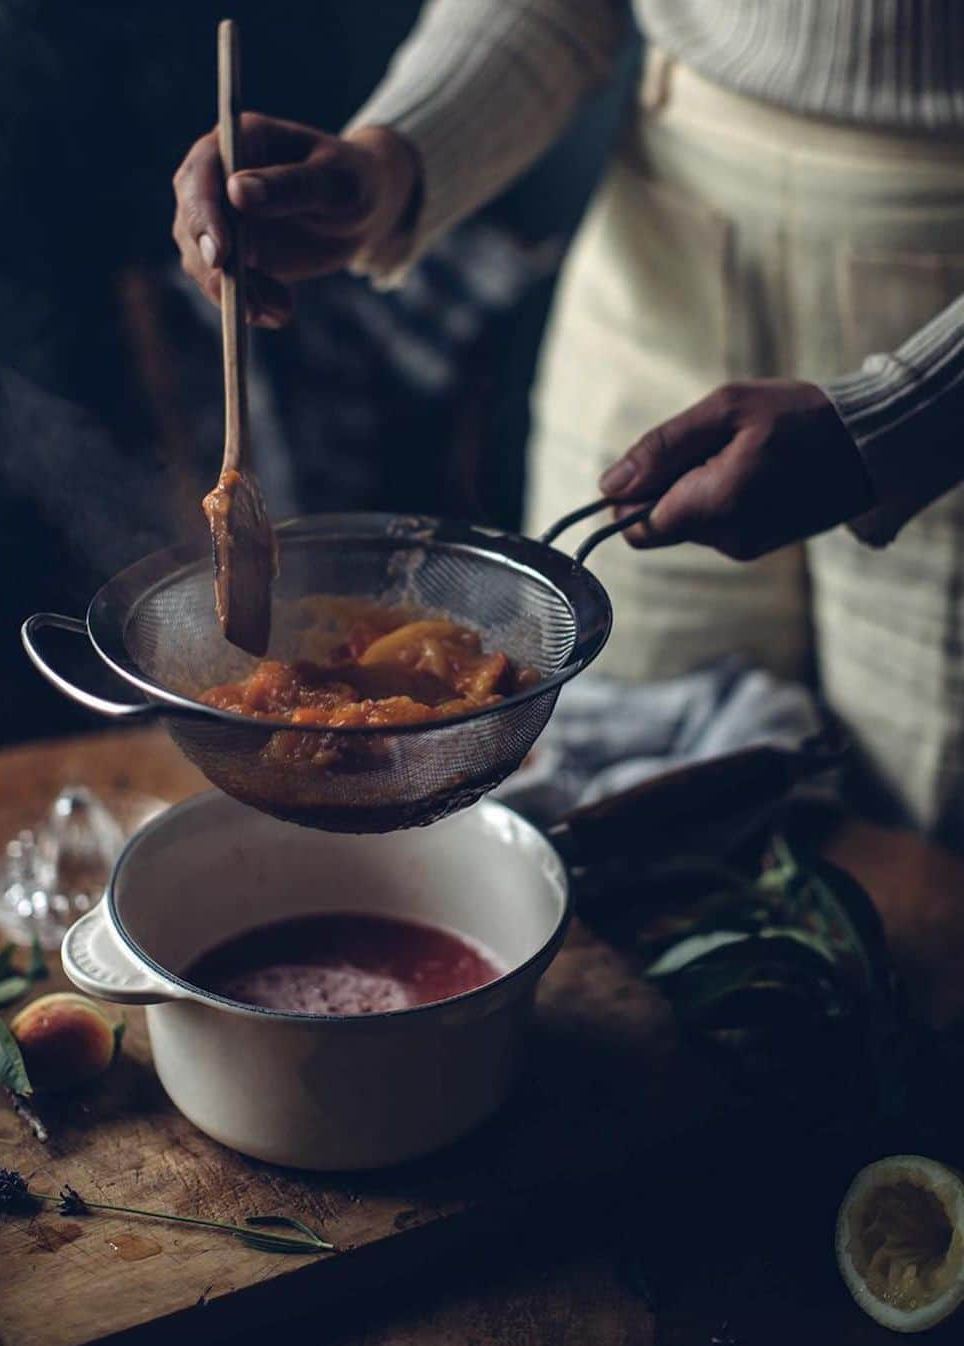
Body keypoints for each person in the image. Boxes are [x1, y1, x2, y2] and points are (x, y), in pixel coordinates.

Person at [172, 1, 964, 842]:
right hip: (658, 274)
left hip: (942, 346)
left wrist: (907, 417)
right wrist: (389, 162)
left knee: (927, 843)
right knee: (617, 833)